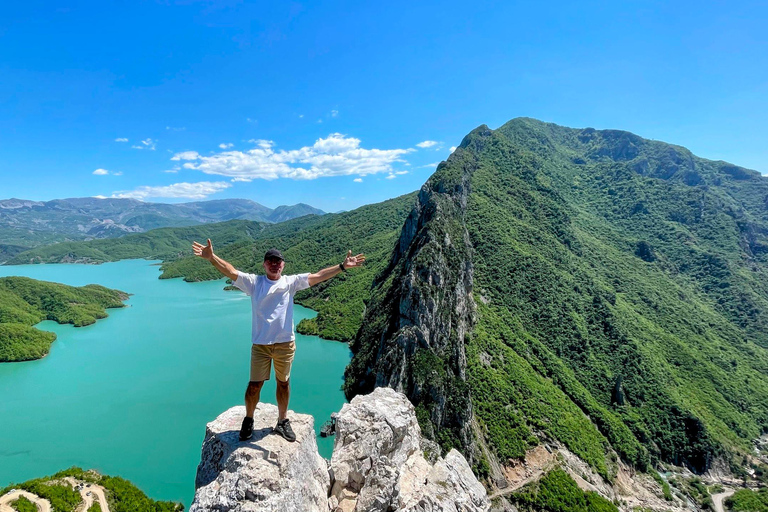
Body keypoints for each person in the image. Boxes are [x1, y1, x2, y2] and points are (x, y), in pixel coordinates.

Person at [192, 239, 365, 442]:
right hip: (260, 346)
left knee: (283, 383)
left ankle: (282, 421)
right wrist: (212, 257)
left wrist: (343, 266)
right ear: (264, 264)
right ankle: (249, 419)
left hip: (285, 344)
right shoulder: (255, 283)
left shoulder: (290, 282)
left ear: (283, 265)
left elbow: (318, 276)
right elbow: (231, 271)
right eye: (270, 261)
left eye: (278, 261)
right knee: (254, 385)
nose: (274, 264)